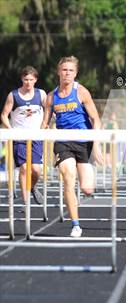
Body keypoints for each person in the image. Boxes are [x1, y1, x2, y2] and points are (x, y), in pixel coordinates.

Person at [41, 56, 103, 237]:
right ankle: (76, 224)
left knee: (87, 188)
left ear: (75, 73)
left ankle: (84, 188)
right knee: (68, 177)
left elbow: (96, 119)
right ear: (58, 72)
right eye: (64, 70)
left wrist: (96, 144)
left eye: (71, 71)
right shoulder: (51, 97)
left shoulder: (82, 92)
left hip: (84, 142)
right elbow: (45, 123)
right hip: (63, 142)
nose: (67, 73)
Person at [1, 66, 46, 205]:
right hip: (19, 137)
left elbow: (49, 110)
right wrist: (11, 130)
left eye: (31, 80)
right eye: (26, 79)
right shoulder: (13, 95)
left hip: (36, 137)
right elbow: (4, 115)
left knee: (36, 170)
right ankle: (26, 203)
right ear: (22, 79)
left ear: (36, 80)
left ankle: (32, 186)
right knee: (25, 168)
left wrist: (46, 124)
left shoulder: (41, 94)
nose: (28, 82)